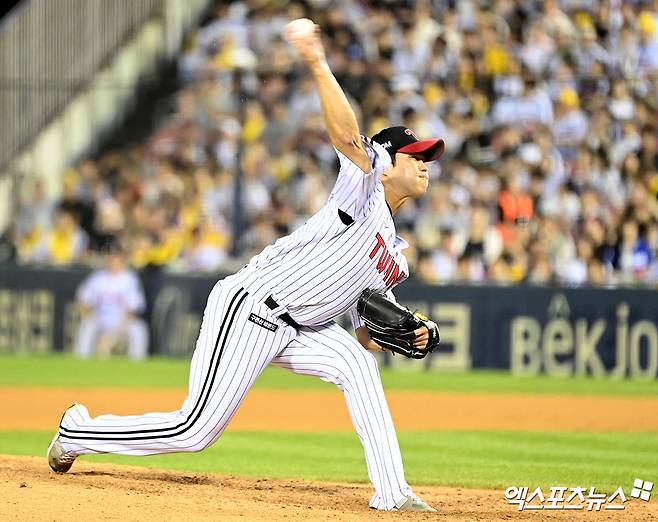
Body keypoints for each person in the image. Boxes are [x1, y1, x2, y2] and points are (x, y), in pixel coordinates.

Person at [47, 19, 445, 512]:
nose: (426, 163)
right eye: (416, 155)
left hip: (305, 327)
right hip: (253, 307)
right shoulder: (361, 190)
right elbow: (345, 136)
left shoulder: (394, 257)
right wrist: (318, 61)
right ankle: (78, 430)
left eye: (428, 157)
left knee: (358, 364)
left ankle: (394, 494)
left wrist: (407, 331)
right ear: (387, 161)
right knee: (195, 431)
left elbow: (367, 330)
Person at [74, 244, 149, 360]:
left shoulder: (129, 279)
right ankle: (81, 360)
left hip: (121, 320)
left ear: (123, 261)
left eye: (117, 259)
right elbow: (82, 301)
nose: (113, 263)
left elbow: (132, 309)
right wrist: (90, 315)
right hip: (100, 318)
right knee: (87, 326)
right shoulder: (97, 278)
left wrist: (117, 332)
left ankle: (137, 364)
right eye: (111, 259)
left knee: (139, 330)